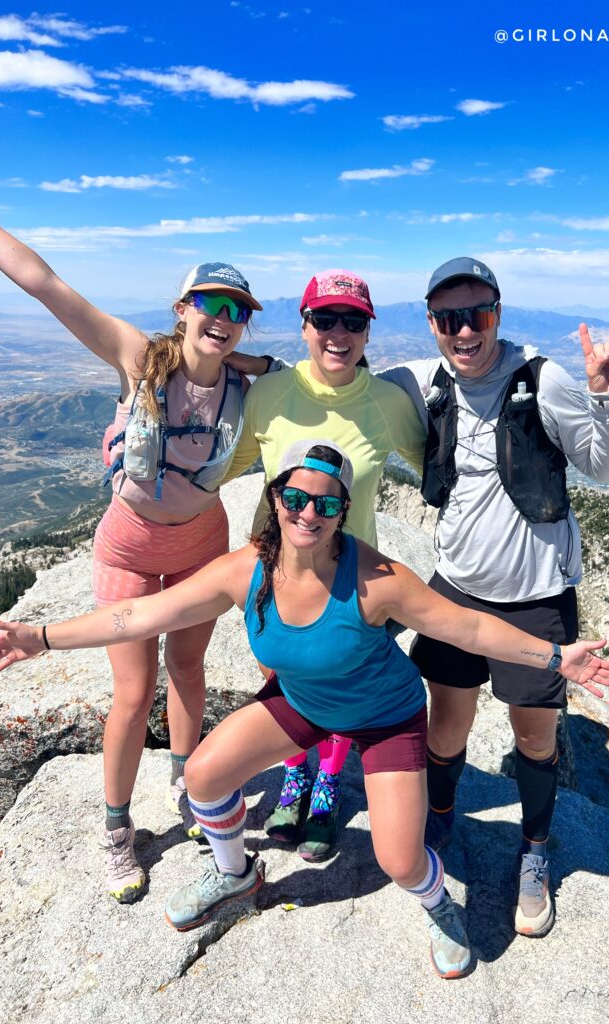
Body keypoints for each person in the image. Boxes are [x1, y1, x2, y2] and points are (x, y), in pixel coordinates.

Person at [0, 441, 609, 979]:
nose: (307, 512)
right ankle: (235, 872)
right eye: (293, 496)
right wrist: (41, 637)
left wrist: (553, 657)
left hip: (386, 718)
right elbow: (139, 613)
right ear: (274, 499)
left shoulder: (376, 578)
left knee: (402, 860)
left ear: (344, 510)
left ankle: (438, 905)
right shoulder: (245, 570)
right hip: (304, 704)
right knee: (201, 777)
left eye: (326, 502)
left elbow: (469, 630)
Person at [0, 203, 261, 904]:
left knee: (188, 669)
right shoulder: (139, 358)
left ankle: (189, 783)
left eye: (236, 308)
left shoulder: (248, 384)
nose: (221, 316)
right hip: (128, 547)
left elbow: (334, 371)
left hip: (201, 545)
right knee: (133, 695)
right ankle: (115, 830)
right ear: (182, 308)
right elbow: (46, 284)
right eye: (209, 303)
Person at [380, 257, 609, 939]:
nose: (464, 330)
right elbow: (341, 391)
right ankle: (438, 820)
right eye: (448, 318)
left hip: (536, 596)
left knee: (533, 738)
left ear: (498, 312)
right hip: (457, 593)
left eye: (477, 314)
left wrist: (607, 398)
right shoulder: (426, 380)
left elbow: (604, 466)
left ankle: (536, 851)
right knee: (446, 727)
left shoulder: (539, 377)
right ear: (432, 323)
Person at [224, 271, 427, 860]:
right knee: (284, 675)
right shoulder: (270, 393)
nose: (339, 333)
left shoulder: (386, 404)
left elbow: (438, 467)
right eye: (326, 319)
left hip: (354, 580)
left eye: (354, 321)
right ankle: (295, 775)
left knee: (342, 685)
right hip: (277, 570)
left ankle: (327, 784)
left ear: (368, 330)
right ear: (305, 324)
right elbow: (225, 465)